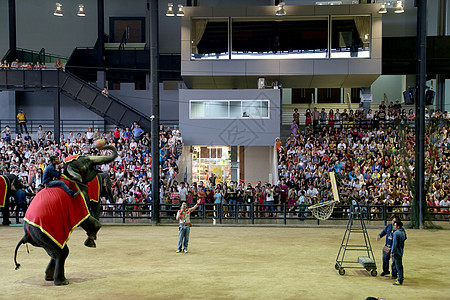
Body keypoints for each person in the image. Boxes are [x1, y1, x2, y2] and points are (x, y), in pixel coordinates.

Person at [391, 220, 407, 285]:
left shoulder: (396, 233)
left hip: (396, 252)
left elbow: (394, 244)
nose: (394, 226)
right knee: (398, 265)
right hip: (400, 251)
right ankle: (399, 278)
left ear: (398, 226)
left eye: (395, 225)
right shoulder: (402, 233)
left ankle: (400, 280)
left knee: (398, 266)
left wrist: (392, 252)